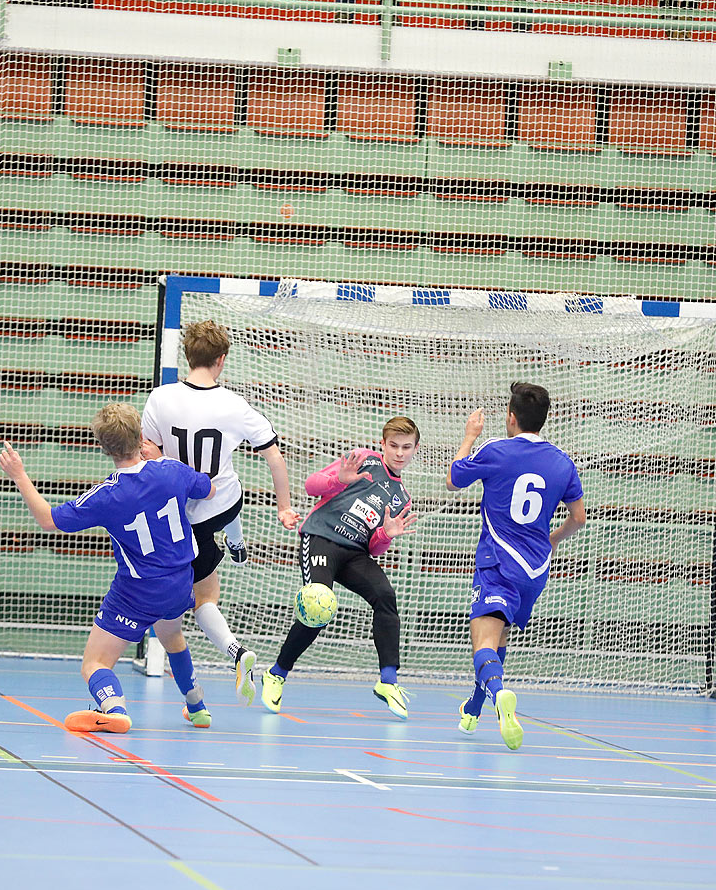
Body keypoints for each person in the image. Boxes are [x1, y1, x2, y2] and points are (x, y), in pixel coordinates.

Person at [0, 403, 216, 732]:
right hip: (178, 583)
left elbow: (47, 519)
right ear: (141, 437)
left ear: (103, 448)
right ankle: (198, 706)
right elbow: (209, 489)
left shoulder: (106, 496)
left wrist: (19, 475)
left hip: (137, 591)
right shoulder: (171, 470)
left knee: (94, 662)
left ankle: (115, 709)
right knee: (172, 637)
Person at [141, 319, 300, 705]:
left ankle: (234, 650)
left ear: (187, 356)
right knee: (232, 492)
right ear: (221, 360)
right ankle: (237, 545)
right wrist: (284, 507)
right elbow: (275, 458)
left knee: (200, 598)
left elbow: (148, 451)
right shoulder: (234, 405)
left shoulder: (160, 398)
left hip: (180, 514)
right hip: (223, 503)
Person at [447, 383, 585, 750]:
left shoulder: (496, 449)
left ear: (511, 417)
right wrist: (552, 540)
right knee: (500, 638)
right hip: (537, 570)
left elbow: (453, 479)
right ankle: (474, 708)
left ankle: (499, 695)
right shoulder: (562, 461)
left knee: (483, 644)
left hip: (499, 562)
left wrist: (469, 436)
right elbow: (579, 518)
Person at [262, 417, 420, 719]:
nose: (400, 453)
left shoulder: (402, 498)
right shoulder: (363, 461)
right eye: (394, 446)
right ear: (383, 444)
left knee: (385, 596)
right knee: (319, 606)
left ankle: (388, 681)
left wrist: (386, 534)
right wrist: (340, 480)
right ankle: (277, 673)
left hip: (355, 553)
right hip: (322, 537)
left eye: (406, 447)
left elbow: (374, 547)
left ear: (415, 450)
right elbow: (311, 486)